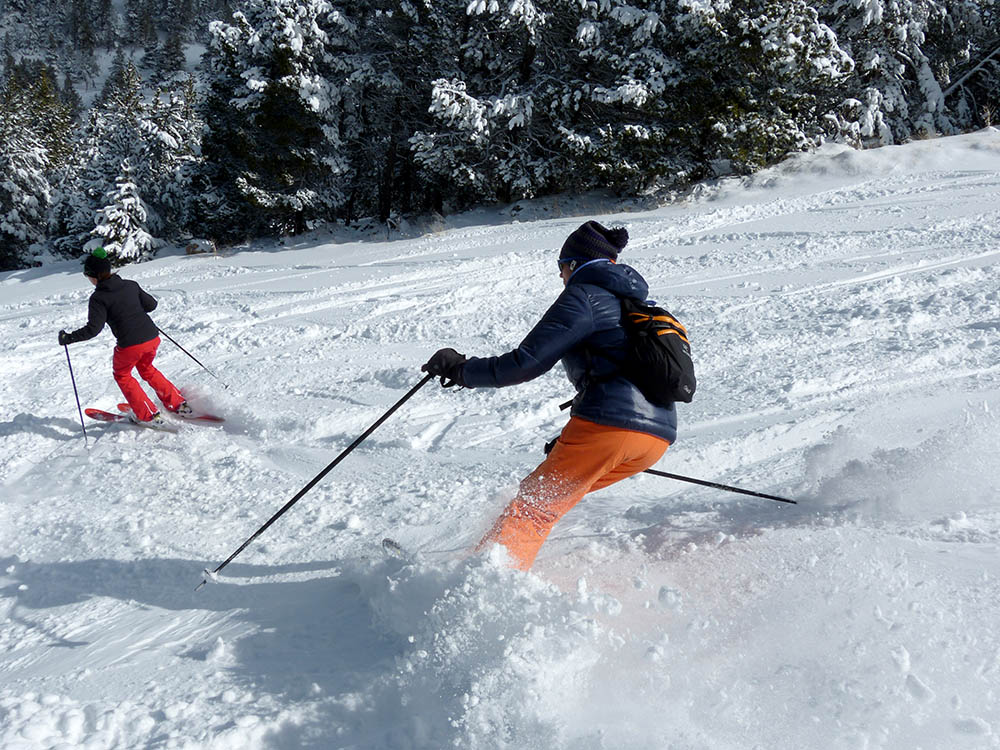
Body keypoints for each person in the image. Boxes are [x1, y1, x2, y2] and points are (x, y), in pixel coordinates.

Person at [422, 221, 677, 570]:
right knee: (548, 498)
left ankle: (490, 582)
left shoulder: (584, 295)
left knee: (535, 505)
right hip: (656, 438)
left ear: (573, 264)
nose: (560, 278)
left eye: (560, 269)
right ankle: (480, 564)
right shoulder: (637, 304)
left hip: (609, 429)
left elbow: (525, 363)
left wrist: (459, 370)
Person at [59, 248, 191, 425]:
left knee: (123, 375)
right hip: (152, 338)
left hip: (130, 345)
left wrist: (69, 338)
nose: (88, 280)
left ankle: (148, 415)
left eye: (87, 275)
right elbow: (151, 305)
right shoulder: (130, 285)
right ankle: (178, 403)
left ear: (94, 276)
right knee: (147, 369)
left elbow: (93, 329)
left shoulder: (98, 298)